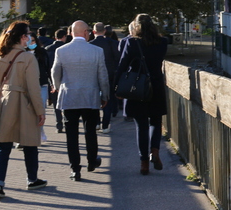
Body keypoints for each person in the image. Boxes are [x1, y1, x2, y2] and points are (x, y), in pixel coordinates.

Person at [0, 20, 47, 199]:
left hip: (5, 102)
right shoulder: (28, 57)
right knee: (30, 142)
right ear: (23, 37)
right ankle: (32, 179)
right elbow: (34, 88)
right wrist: (40, 111)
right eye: (28, 34)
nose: (30, 37)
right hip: (24, 102)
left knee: (3, 146)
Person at [51, 20, 110, 181]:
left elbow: (55, 72)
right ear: (86, 33)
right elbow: (103, 76)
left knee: (71, 135)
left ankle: (75, 169)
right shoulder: (97, 51)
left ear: (71, 33)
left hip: (69, 97)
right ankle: (92, 161)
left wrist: (58, 87)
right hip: (90, 97)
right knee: (90, 131)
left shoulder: (61, 51)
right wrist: (105, 95)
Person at [115, 13, 167, 175]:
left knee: (141, 125)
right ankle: (155, 151)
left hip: (137, 87)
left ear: (136, 26)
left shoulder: (131, 42)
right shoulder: (162, 42)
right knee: (156, 121)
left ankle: (144, 162)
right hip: (156, 86)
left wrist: (116, 86)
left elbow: (122, 66)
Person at [91, 22, 119, 132]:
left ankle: (97, 122)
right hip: (110, 75)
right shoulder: (113, 43)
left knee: (95, 100)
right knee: (109, 99)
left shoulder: (90, 44)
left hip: (94, 75)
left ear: (93, 32)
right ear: (105, 31)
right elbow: (118, 59)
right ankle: (106, 125)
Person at [45, 28, 69, 133]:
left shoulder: (47, 49)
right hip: (66, 79)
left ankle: (59, 123)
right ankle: (66, 120)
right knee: (66, 102)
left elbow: (46, 66)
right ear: (64, 37)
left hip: (52, 79)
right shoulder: (66, 48)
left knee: (56, 103)